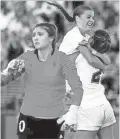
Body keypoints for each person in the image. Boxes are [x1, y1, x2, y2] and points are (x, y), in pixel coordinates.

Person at [1, 23, 83, 139]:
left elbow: (78, 88)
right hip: (27, 119)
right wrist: (7, 72)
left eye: (40, 34)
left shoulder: (62, 59)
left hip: (54, 121)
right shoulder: (26, 57)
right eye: (34, 35)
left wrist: (73, 112)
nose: (35, 37)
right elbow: (3, 81)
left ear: (51, 38)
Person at [46, 2, 116, 139]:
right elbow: (94, 60)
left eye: (92, 17)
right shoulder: (75, 37)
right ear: (78, 19)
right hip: (82, 98)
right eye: (88, 17)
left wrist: (96, 52)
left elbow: (104, 60)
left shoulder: (86, 38)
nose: (92, 20)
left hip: (84, 101)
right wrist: (103, 64)